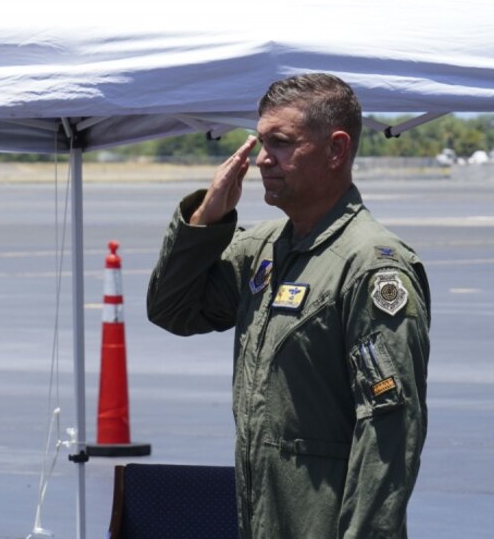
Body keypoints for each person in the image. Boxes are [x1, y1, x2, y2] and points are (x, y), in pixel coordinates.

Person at [146, 73, 430, 538]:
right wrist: (205, 219)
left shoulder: (371, 268)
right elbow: (172, 308)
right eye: (260, 143)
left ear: (336, 150)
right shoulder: (263, 251)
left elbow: (389, 432)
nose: (262, 159)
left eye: (280, 143)